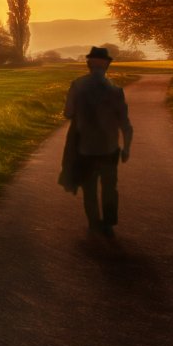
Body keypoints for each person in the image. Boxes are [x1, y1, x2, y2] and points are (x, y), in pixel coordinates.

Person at [63, 46, 133, 235]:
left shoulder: (77, 85)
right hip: (110, 148)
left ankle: (94, 224)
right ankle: (109, 224)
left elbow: (68, 113)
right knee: (110, 187)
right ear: (107, 65)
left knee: (90, 189)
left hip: (85, 148)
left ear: (89, 64)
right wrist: (126, 148)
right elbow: (125, 123)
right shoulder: (116, 90)